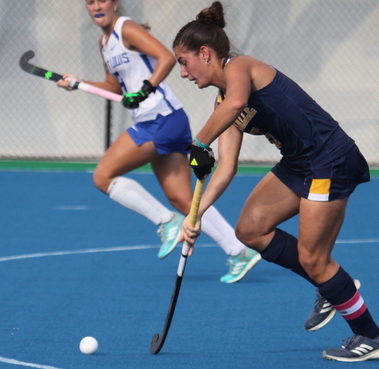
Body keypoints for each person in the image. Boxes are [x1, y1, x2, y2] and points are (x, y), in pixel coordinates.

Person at [172, 2, 379, 361]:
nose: (182, 73)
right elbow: (226, 167)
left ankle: (370, 335)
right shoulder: (222, 101)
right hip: (299, 163)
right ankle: (334, 287)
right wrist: (195, 214)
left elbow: (237, 103)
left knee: (312, 257)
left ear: (206, 53)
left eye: (184, 61)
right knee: (250, 229)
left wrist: (197, 143)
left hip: (328, 159)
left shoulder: (239, 67)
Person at [56, 0, 260, 283]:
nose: (96, 6)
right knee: (182, 198)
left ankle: (166, 222)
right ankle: (239, 251)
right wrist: (79, 83)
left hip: (160, 119)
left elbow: (165, 56)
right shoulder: (104, 43)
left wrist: (146, 88)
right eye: (90, 2)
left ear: (114, 3)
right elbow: (115, 87)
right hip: (161, 121)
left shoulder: (125, 28)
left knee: (103, 176)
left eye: (102, 0)